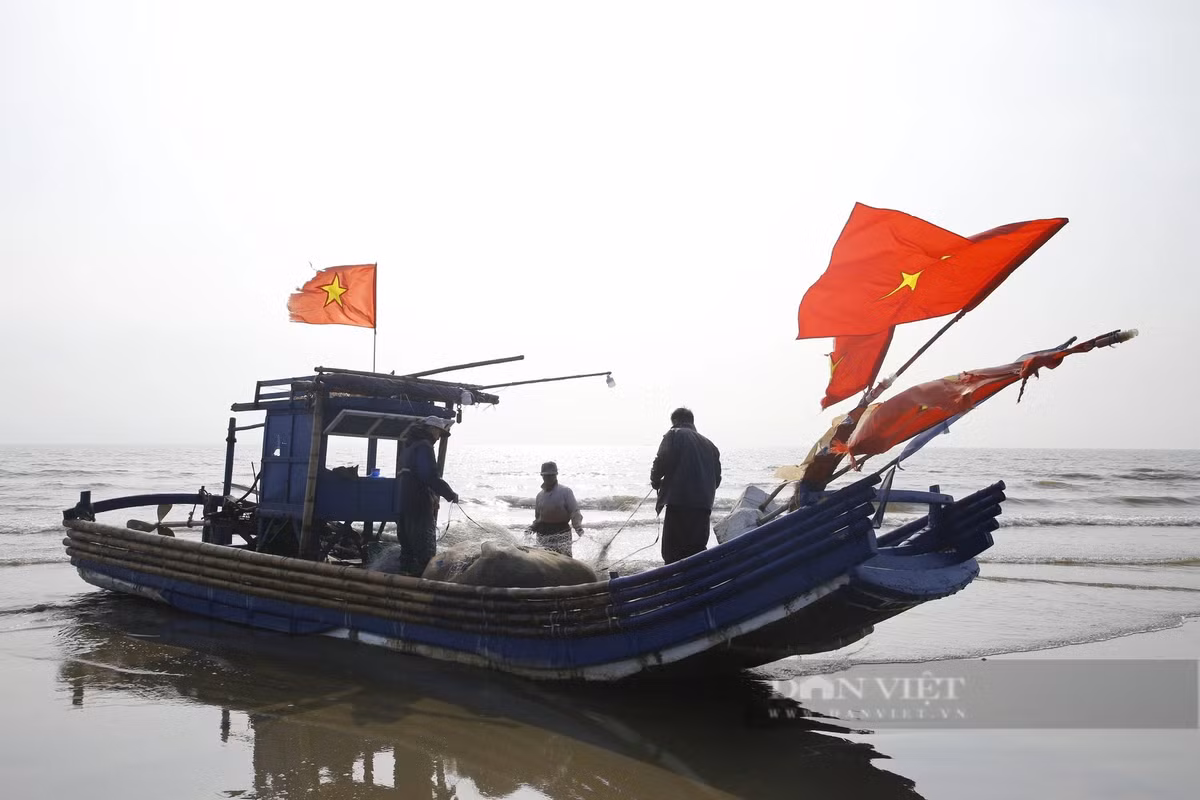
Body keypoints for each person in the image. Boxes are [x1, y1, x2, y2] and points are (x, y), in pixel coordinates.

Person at [650, 407, 722, 564]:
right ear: (692, 422)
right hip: (703, 506)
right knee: (697, 552)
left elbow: (661, 459)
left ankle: (672, 585)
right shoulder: (710, 445)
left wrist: (655, 480)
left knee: (672, 552)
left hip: (679, 503)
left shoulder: (674, 434)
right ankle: (698, 586)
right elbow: (717, 479)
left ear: (675, 421)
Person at [396, 421, 459, 576]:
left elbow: (416, 476)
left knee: (407, 550)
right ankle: (424, 586)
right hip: (418, 504)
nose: (438, 438)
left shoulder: (409, 446)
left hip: (403, 503)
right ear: (431, 429)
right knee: (424, 551)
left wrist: (433, 496)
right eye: (438, 433)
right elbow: (429, 476)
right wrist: (449, 494)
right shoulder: (424, 446)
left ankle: (404, 584)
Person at [531, 461, 584, 557]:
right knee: (545, 563)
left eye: (551, 475)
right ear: (542, 476)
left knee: (565, 562)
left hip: (562, 531)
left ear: (556, 474)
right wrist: (531, 528)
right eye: (546, 475)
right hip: (543, 533)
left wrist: (578, 528)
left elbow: (574, 512)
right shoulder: (540, 496)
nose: (549, 478)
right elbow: (538, 519)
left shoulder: (565, 491)